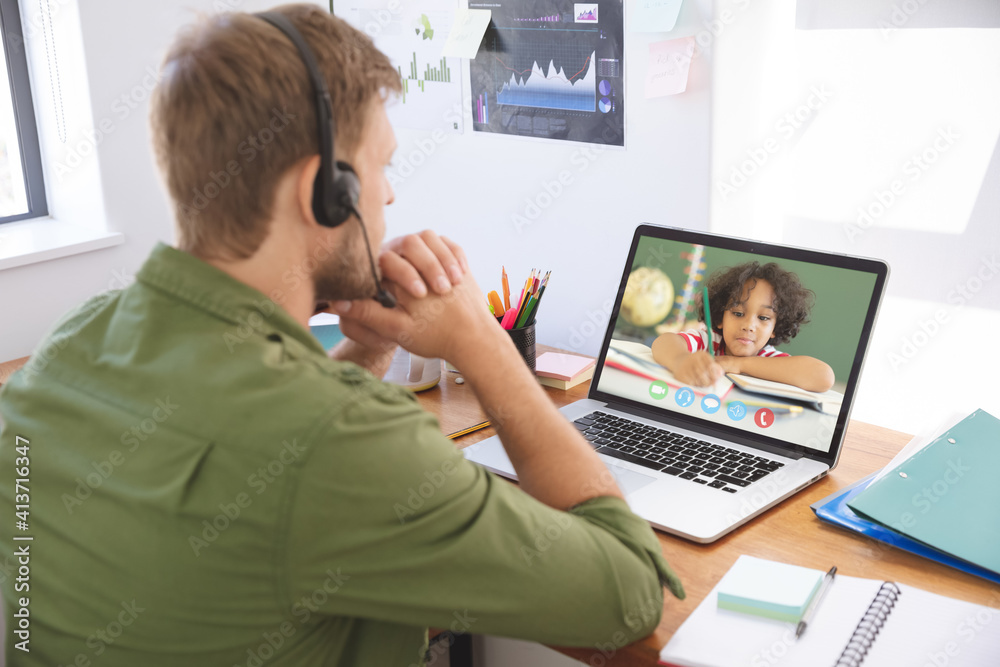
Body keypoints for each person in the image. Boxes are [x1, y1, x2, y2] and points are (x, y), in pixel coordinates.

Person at [0, 5, 682, 665]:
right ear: (325, 192)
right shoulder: (340, 442)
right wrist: (483, 343)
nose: (388, 196)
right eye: (382, 166)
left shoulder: (69, 347)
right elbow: (628, 589)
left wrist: (374, 348)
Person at [652, 261, 834, 392]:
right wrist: (681, 361)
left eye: (763, 317)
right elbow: (663, 342)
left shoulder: (769, 358)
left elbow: (823, 376)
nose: (749, 326)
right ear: (720, 317)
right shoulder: (709, 341)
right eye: (738, 313)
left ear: (775, 328)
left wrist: (737, 363)